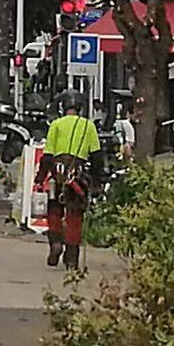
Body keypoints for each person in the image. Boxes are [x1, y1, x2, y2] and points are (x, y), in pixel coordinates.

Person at [37, 98, 104, 269]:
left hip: (57, 173)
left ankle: (55, 243)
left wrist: (40, 177)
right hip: (78, 175)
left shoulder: (56, 125)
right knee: (75, 215)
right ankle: (72, 258)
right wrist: (97, 181)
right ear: (80, 108)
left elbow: (47, 156)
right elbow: (97, 156)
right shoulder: (89, 126)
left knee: (54, 209)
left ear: (63, 108)